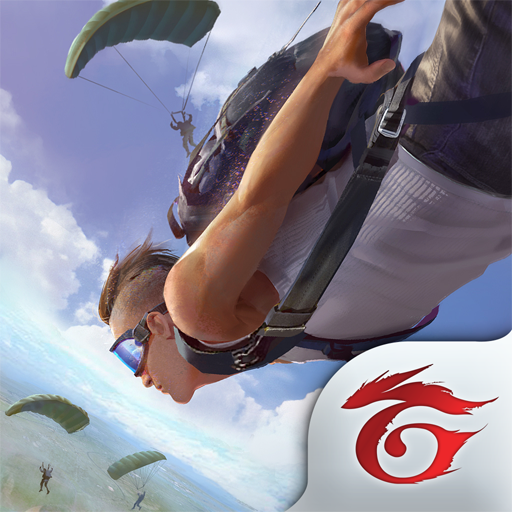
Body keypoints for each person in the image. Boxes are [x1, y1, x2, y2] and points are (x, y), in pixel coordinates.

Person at [100, 0, 511, 404]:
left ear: (157, 325)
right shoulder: (283, 348)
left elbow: (260, 197)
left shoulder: (193, 306)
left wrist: (328, 65)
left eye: (130, 353)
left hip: (452, 135)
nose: (140, 377)